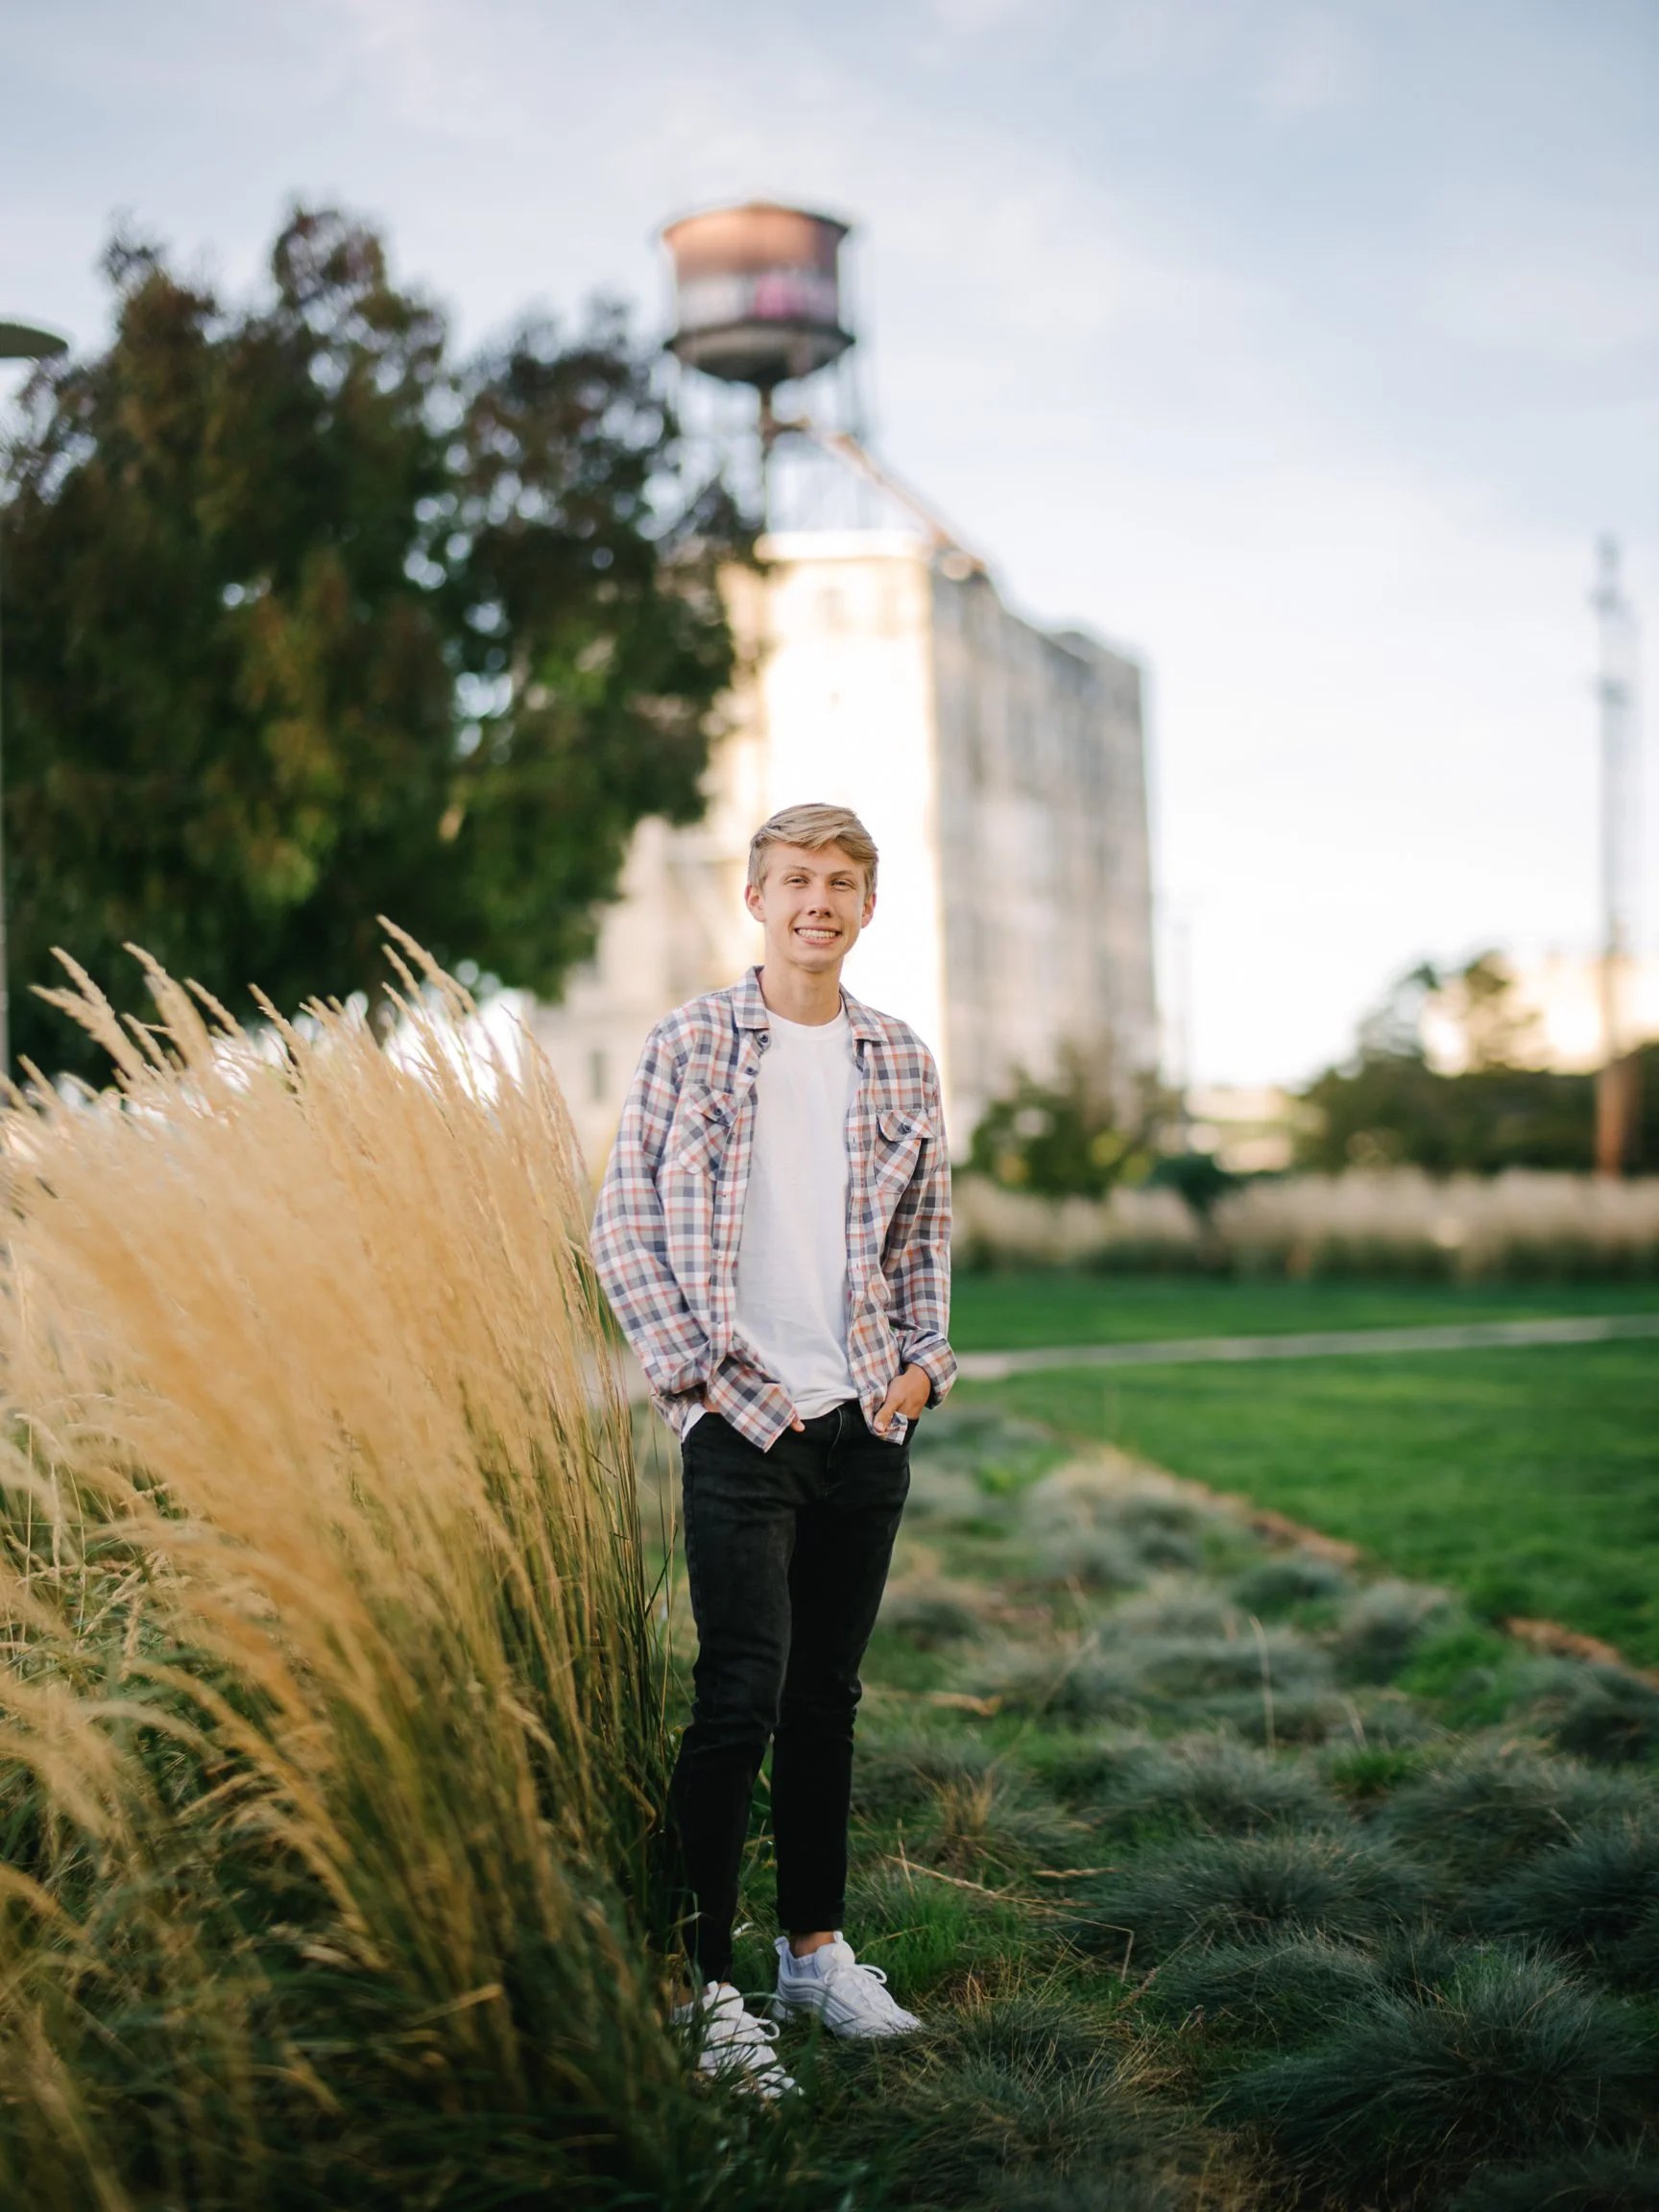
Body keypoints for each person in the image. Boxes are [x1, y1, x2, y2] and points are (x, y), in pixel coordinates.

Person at [592, 801, 955, 2096]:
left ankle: (814, 1952)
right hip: (743, 1425)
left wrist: (918, 1373)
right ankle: (702, 1984)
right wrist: (700, 1384)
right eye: (797, 878)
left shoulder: (903, 1059)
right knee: (738, 1698)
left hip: (866, 1423)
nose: (821, 900)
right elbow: (623, 1228)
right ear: (756, 898)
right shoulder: (691, 1043)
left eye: (843, 882)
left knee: (826, 1702)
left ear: (866, 907)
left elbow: (924, 1239)